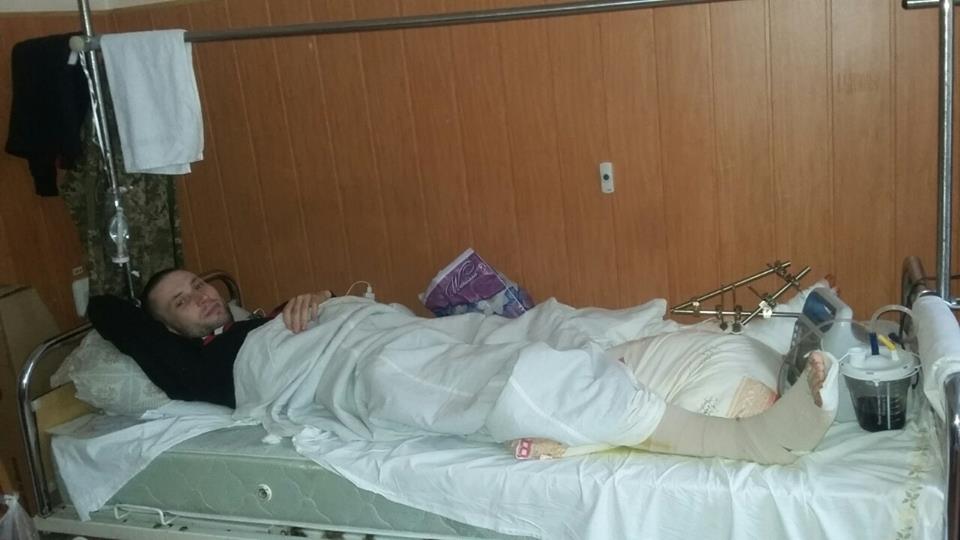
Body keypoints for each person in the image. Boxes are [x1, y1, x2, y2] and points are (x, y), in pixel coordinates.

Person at [88, 268, 836, 465]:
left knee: (540, 326)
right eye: (179, 302)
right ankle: (739, 438)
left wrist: (308, 300)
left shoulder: (259, 317)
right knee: (498, 378)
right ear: (169, 331)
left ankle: (748, 348)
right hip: (363, 365)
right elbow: (112, 317)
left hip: (384, 328)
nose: (199, 297)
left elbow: (297, 313)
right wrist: (103, 298)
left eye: (198, 284)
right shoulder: (198, 369)